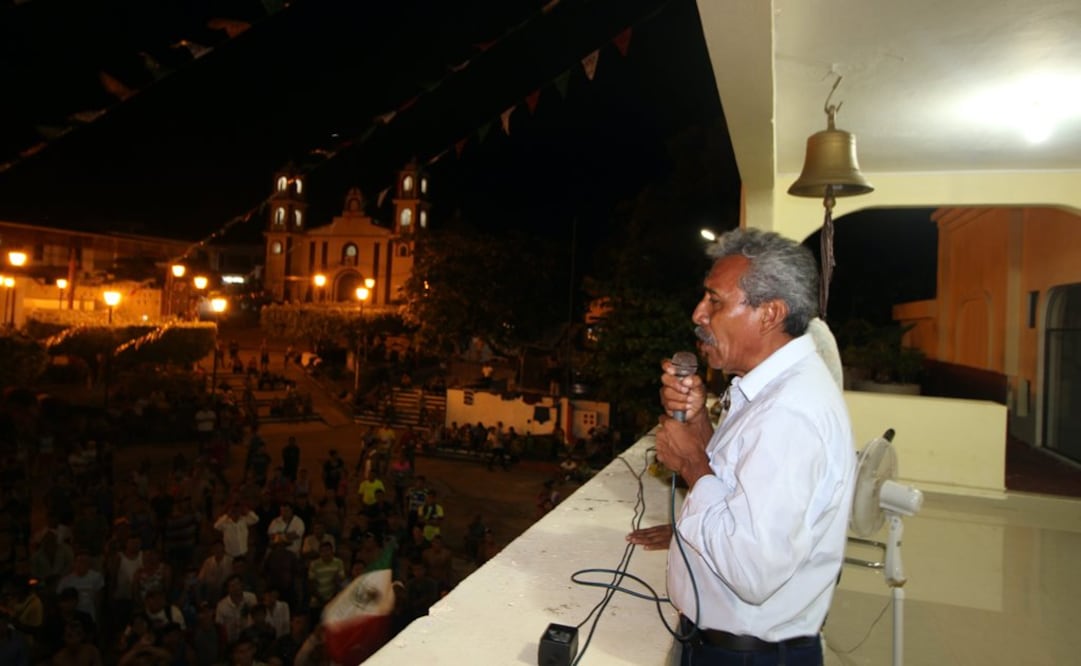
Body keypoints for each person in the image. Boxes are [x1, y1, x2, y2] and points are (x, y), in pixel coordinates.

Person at [626, 229, 855, 666]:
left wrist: (693, 461)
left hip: (747, 657)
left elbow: (752, 571)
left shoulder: (791, 414)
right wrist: (697, 428)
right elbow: (740, 490)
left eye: (715, 302)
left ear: (769, 314)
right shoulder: (770, 390)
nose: (698, 314)